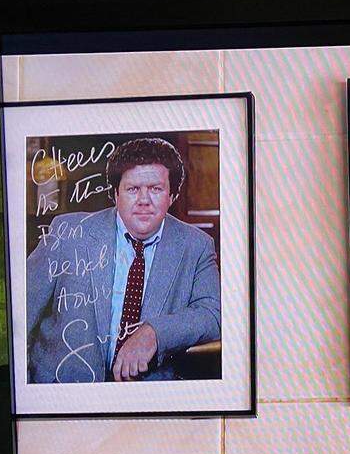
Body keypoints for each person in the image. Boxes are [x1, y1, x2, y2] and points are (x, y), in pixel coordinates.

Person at [25, 137, 221, 383]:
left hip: (147, 395)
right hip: (61, 390)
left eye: (156, 189)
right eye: (132, 189)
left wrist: (154, 333)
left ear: (172, 195)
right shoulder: (67, 232)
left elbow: (214, 314)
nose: (144, 200)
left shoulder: (197, 245)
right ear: (115, 194)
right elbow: (21, 313)